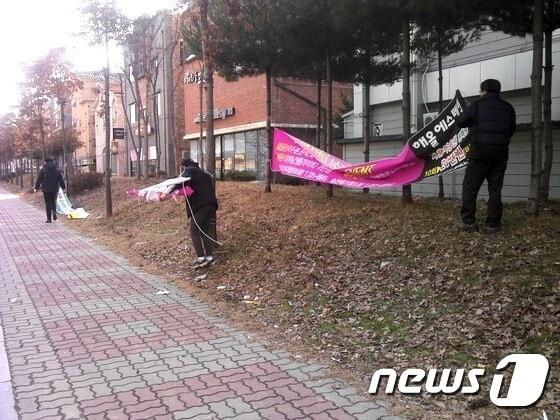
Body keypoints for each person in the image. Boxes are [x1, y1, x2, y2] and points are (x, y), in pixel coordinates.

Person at [457, 79, 516, 233]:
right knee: (495, 189)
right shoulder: (508, 108)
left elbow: (460, 121)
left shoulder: (476, 105)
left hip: (479, 153)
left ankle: (468, 222)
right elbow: (511, 129)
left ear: (483, 91)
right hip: (500, 154)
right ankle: (493, 224)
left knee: (470, 188)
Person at [179, 159, 218, 268]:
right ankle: (209, 256)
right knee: (204, 231)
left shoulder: (189, 170)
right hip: (211, 204)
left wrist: (168, 190)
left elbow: (180, 182)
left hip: (201, 205)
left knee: (194, 231)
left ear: (184, 166)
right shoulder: (202, 173)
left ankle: (201, 257)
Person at [34, 158, 66, 223]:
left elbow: (39, 179)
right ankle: (54, 212)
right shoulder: (57, 170)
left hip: (46, 189)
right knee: (53, 201)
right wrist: (63, 187)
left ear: (45, 162)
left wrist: (36, 188)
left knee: (48, 203)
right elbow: (61, 179)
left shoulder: (43, 170)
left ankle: (49, 219)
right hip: (54, 189)